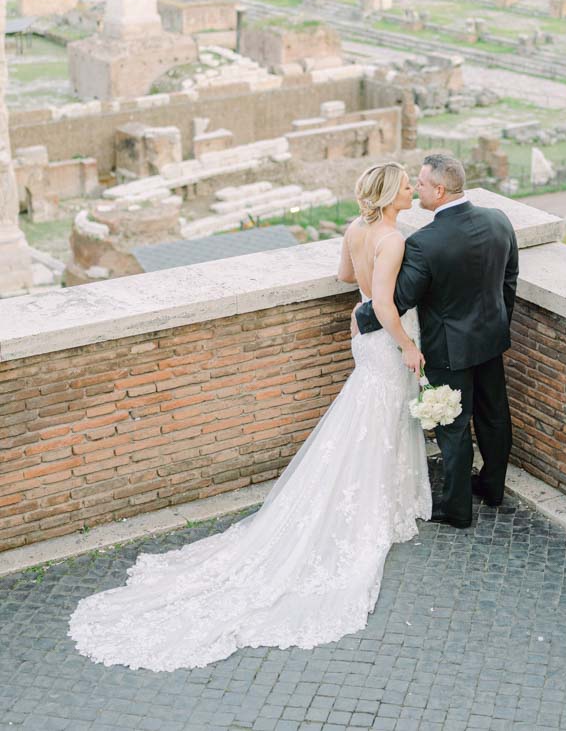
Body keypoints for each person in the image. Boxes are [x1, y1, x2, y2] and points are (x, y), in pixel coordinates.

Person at [68, 162, 431, 672]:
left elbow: (345, 277)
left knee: (365, 418)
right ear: (392, 194)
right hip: (385, 339)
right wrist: (409, 347)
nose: (414, 189)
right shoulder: (391, 239)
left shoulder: (355, 230)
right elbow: (389, 306)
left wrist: (366, 299)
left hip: (361, 338)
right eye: (408, 186)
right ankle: (381, 504)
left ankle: (377, 498)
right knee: (380, 420)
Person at [355, 154, 519, 530]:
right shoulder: (499, 221)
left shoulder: (423, 243)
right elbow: (510, 279)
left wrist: (361, 317)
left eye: (422, 184)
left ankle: (458, 509)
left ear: (440, 189)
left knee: (454, 426)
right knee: (494, 417)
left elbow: (400, 298)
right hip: (492, 340)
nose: (418, 189)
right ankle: (492, 488)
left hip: (449, 350)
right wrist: (499, 323)